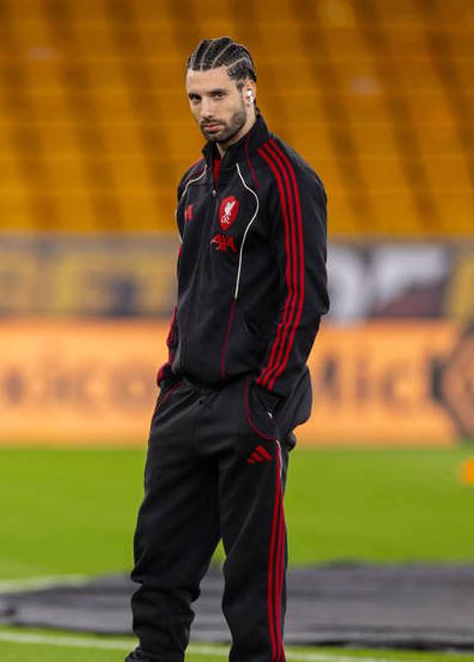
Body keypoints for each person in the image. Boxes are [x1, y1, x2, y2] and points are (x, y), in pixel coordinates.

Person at [128, 37, 329, 662]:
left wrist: (266, 398)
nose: (205, 108)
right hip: (184, 401)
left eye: (217, 94)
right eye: (194, 97)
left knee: (251, 578)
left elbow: (306, 297)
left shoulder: (287, 179)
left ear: (250, 90)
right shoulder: (193, 182)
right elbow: (191, 287)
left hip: (248, 403)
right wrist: (172, 370)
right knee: (158, 564)